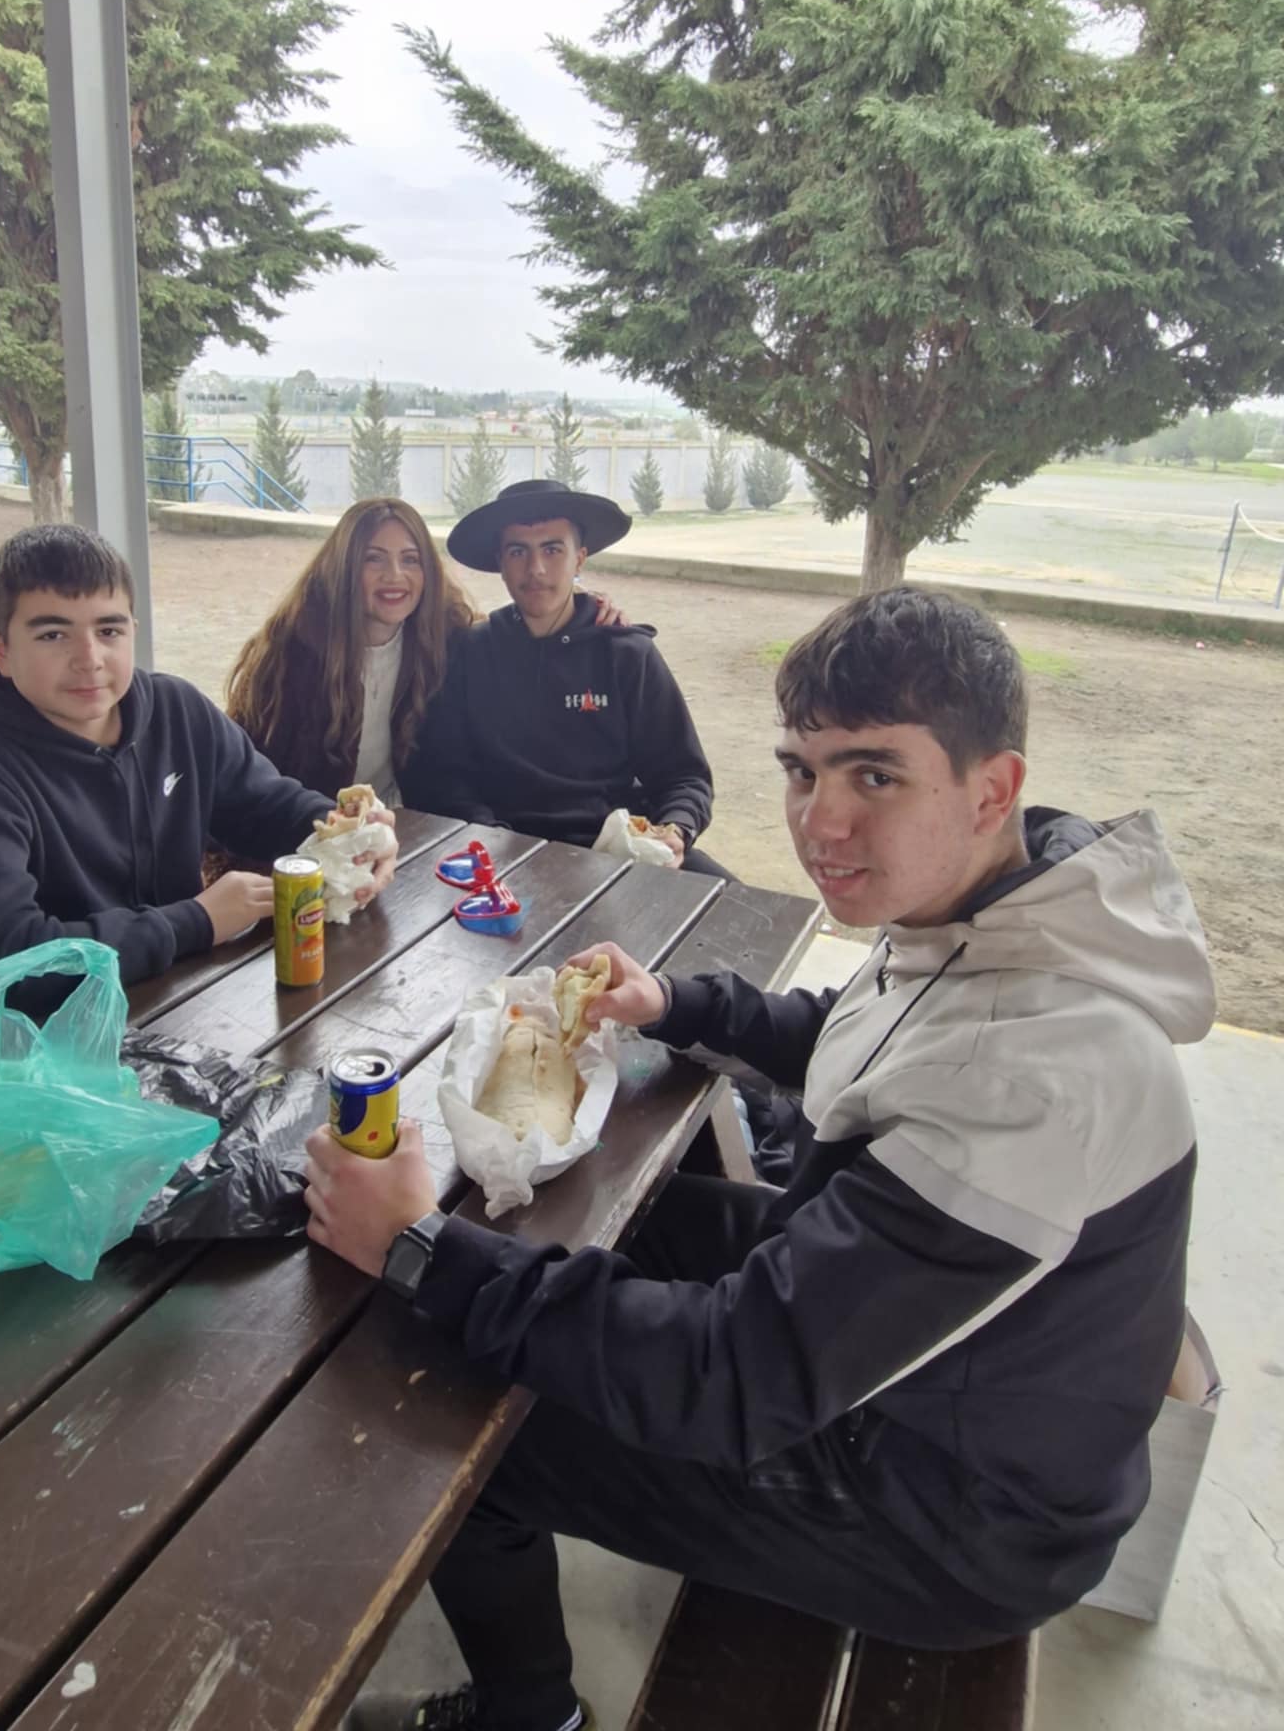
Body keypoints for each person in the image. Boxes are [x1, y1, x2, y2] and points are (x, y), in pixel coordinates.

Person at [306, 588, 1212, 1731]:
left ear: (993, 787)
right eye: (801, 769)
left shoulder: (1036, 1075)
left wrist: (420, 1248)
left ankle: (531, 1713)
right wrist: (675, 1002)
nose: (820, 821)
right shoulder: (1006, 910)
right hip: (957, 1377)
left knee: (464, 1425)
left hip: (955, 1510)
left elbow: (728, 1377)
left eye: (874, 774)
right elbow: (867, 1029)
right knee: (640, 1218)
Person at [0, 523, 396, 997]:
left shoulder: (176, 711)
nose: (89, 658)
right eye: (52, 635)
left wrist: (351, 834)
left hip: (173, 998)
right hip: (38, 1031)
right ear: (0, 650)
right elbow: (2, 965)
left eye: (108, 630)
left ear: (133, 631)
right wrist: (195, 922)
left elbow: (266, 805)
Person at [401, 478, 720, 873]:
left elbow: (684, 775)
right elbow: (441, 776)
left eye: (553, 549)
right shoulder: (468, 652)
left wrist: (677, 828)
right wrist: (492, 839)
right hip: (502, 850)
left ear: (579, 559)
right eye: (518, 551)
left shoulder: (626, 653)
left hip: (618, 851)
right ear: (500, 563)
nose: (535, 569)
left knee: (743, 906)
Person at [224, 498, 477, 811]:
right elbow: (251, 775)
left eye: (411, 559)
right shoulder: (291, 651)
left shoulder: (447, 640)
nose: (394, 575)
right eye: (374, 559)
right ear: (344, 568)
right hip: (307, 822)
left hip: (403, 820)